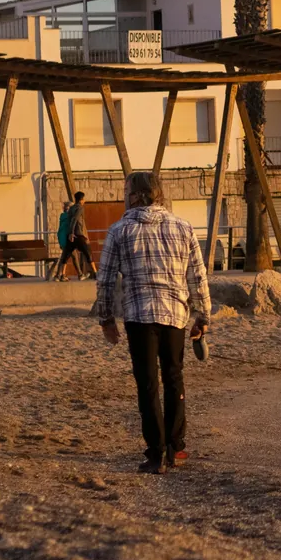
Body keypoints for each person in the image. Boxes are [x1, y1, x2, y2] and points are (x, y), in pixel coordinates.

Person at [95, 171, 210, 475]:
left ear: (134, 195)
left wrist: (106, 319)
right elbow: (197, 276)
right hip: (175, 315)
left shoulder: (119, 230)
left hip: (139, 316)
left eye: (125, 191)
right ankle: (176, 447)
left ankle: (155, 454)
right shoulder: (183, 227)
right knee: (174, 378)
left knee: (147, 384)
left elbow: (105, 279)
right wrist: (202, 316)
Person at [52, 191, 95, 279]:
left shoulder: (70, 210)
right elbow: (75, 219)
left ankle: (62, 275)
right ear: (81, 199)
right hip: (78, 235)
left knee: (66, 256)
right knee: (88, 253)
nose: (84, 201)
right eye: (83, 199)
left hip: (69, 237)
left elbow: (68, 223)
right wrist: (72, 232)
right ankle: (95, 273)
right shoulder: (80, 208)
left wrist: (69, 234)